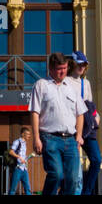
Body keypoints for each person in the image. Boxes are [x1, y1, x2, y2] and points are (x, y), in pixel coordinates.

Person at [29, 52, 85, 195]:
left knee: (73, 179)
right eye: (59, 69)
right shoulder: (41, 85)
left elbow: (80, 113)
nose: (63, 72)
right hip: (50, 138)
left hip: (71, 140)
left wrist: (79, 135)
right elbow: (34, 112)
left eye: (65, 68)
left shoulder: (72, 87)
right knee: (56, 174)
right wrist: (36, 138)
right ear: (50, 68)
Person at [69, 51, 101, 194]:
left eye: (84, 64)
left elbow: (90, 105)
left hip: (87, 127)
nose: (82, 67)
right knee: (73, 164)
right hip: (72, 127)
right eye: (80, 64)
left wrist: (96, 116)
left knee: (97, 160)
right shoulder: (66, 81)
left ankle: (86, 192)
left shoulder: (85, 83)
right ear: (73, 64)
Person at [7, 125, 32, 195]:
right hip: (17, 168)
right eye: (28, 134)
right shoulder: (17, 142)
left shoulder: (25, 144)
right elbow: (11, 152)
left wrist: (28, 157)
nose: (29, 136)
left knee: (27, 188)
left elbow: (22, 155)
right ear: (22, 134)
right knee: (13, 189)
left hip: (24, 168)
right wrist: (19, 157)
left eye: (29, 134)